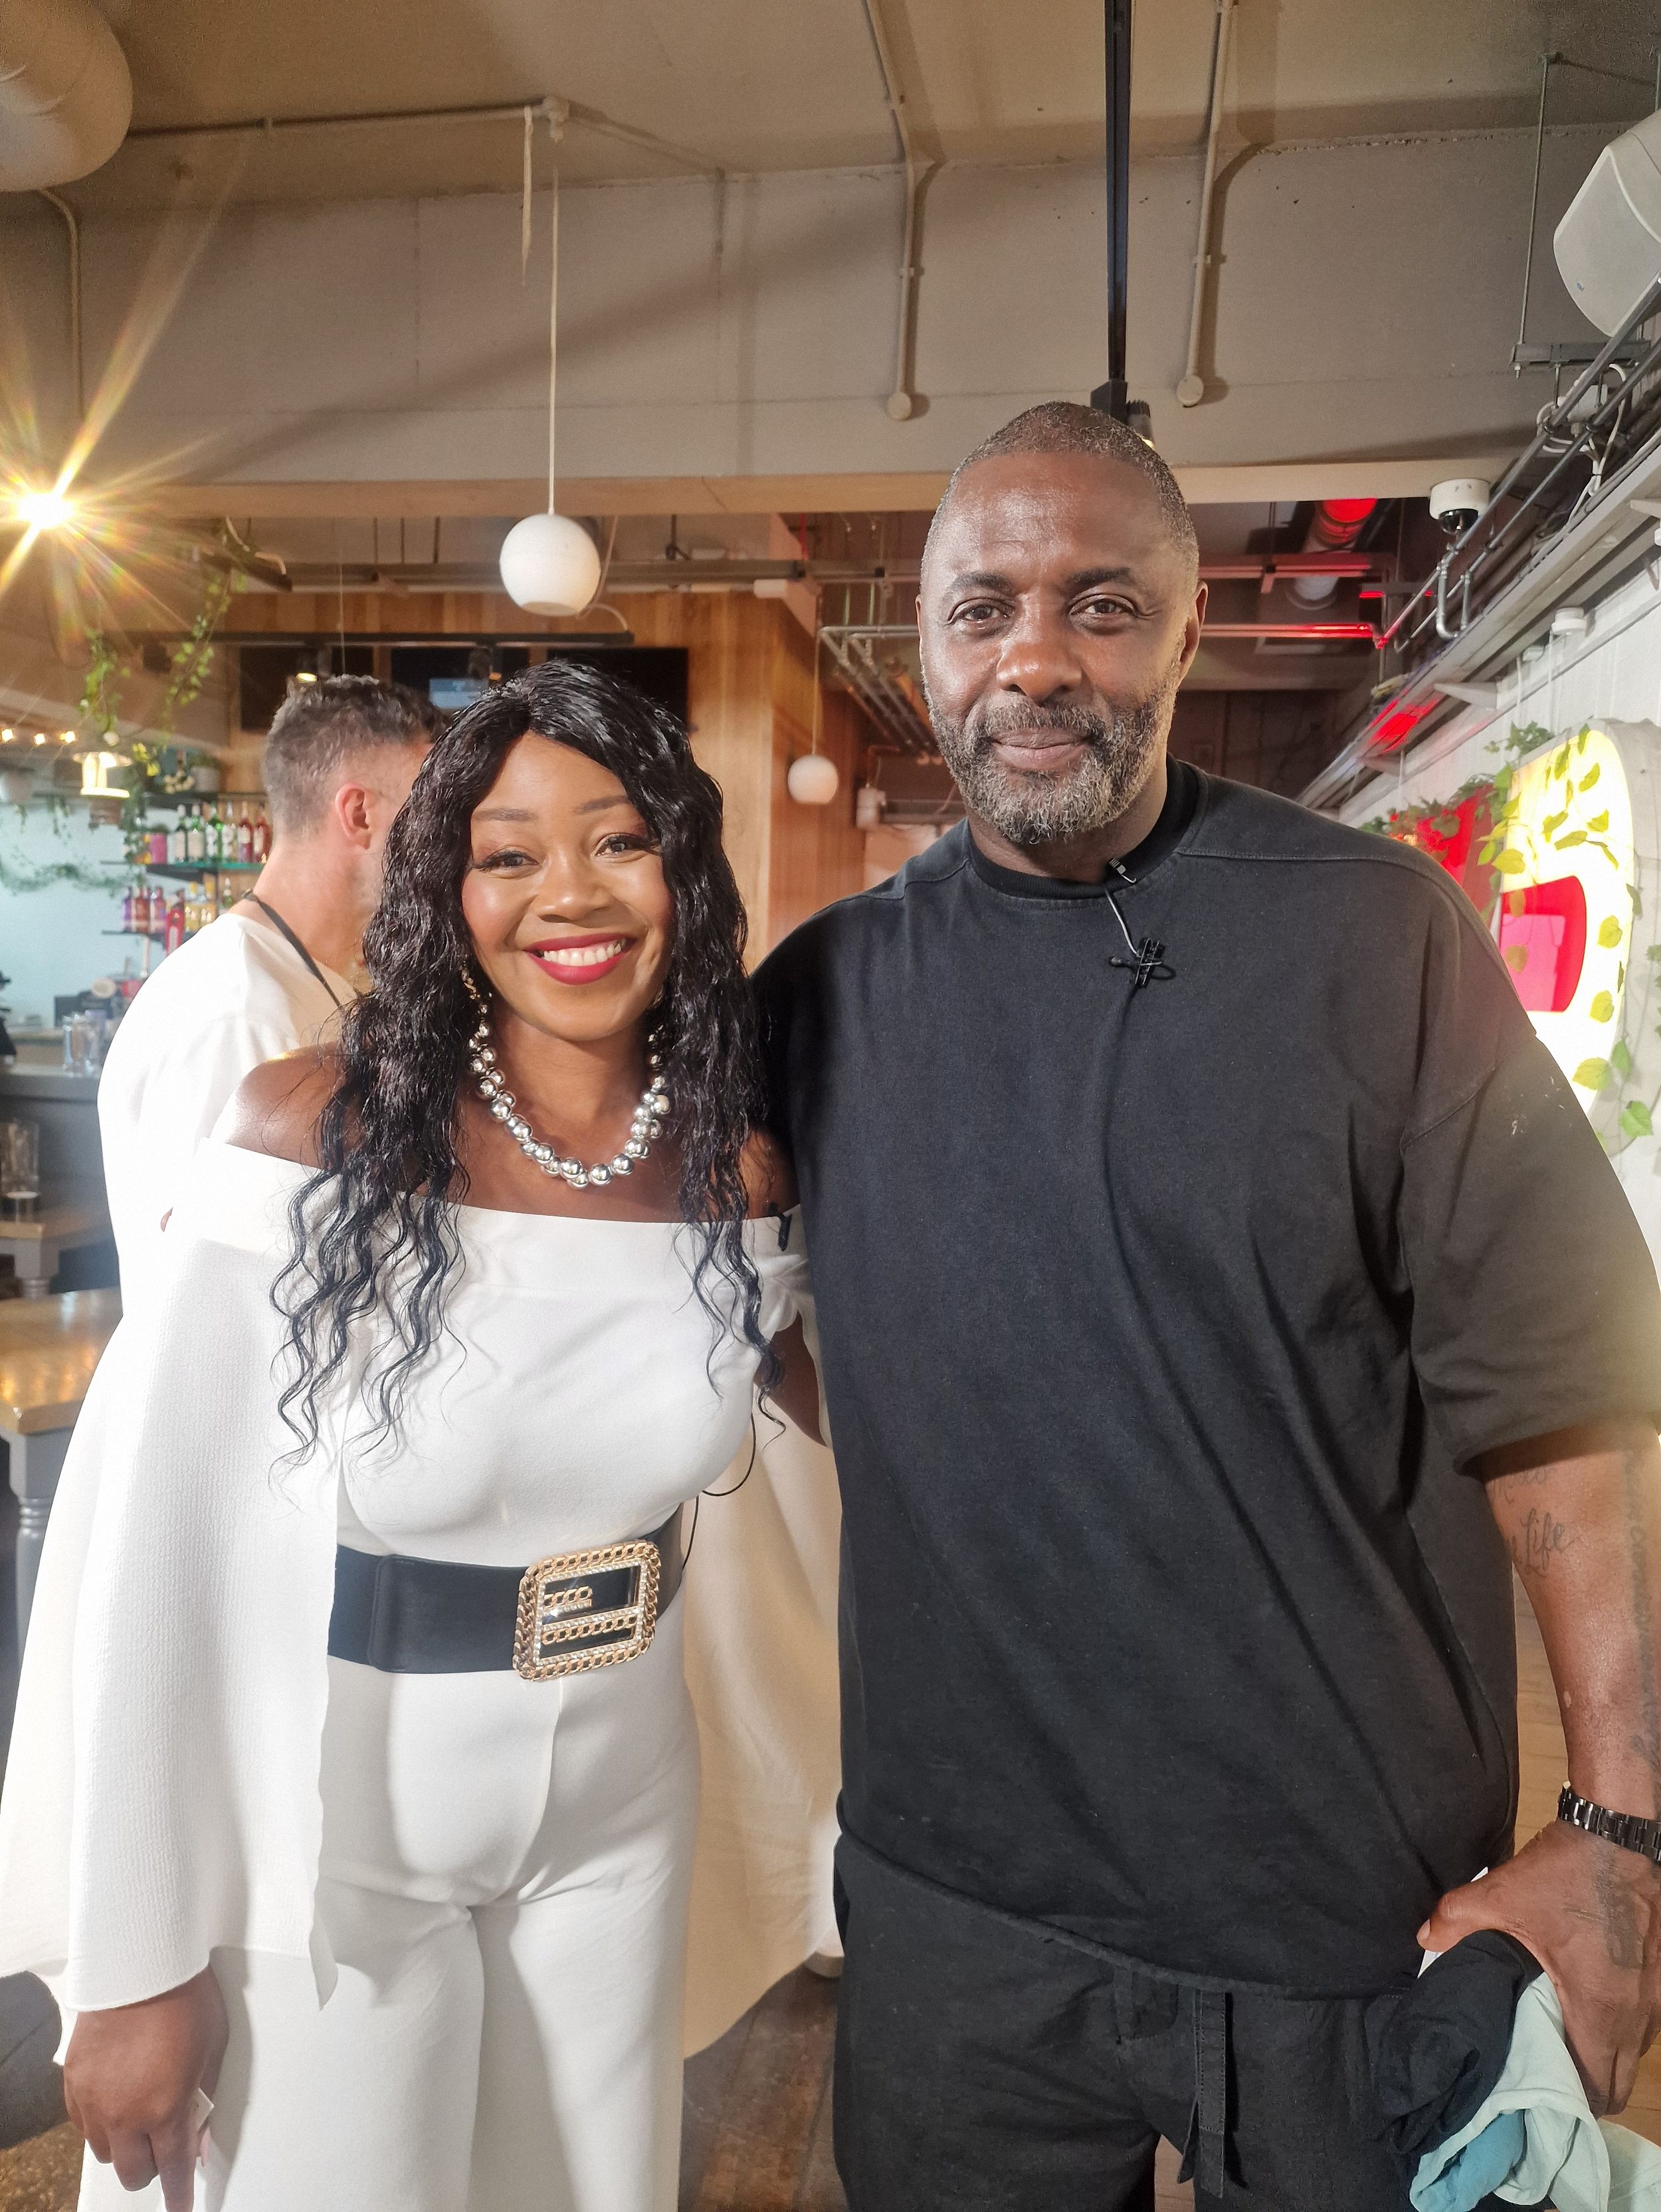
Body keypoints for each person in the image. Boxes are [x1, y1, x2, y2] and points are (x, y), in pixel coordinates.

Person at [755, 401, 1661, 2212]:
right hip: (958, 1909)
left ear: (1184, 630)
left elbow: (1563, 1402)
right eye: (979, 606)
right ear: (918, 642)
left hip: (1340, 1893)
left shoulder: (1369, 932)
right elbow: (694, 1269)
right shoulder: (827, 993)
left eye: (1097, 604)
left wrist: (1617, 1832)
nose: (1032, 658)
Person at [0, 660, 819, 2211]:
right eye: (507, 854)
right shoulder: (315, 1127)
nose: (566, 893)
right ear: (443, 887)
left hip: (623, 1796)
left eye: (618, 840)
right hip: (335, 1819)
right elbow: (149, 1538)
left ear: (683, 872)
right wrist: (135, 1952)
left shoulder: (737, 1169)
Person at [97, 675, 440, 1301]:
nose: (443, 844)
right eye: (428, 812)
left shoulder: (298, 977)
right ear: (360, 814)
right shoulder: (239, 1010)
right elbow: (206, 1282)